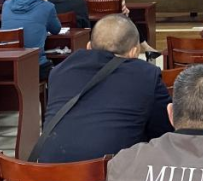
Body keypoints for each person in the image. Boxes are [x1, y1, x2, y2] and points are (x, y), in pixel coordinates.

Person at [36, 15, 172, 163]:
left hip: (48, 171)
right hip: (108, 173)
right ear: (134, 52)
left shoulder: (59, 71)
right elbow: (165, 131)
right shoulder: (146, 75)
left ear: (89, 46)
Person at [2, 0, 62, 81]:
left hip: (9, 66)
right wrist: (45, 1)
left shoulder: (6, 5)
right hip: (35, 66)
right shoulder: (46, 7)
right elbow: (56, 29)